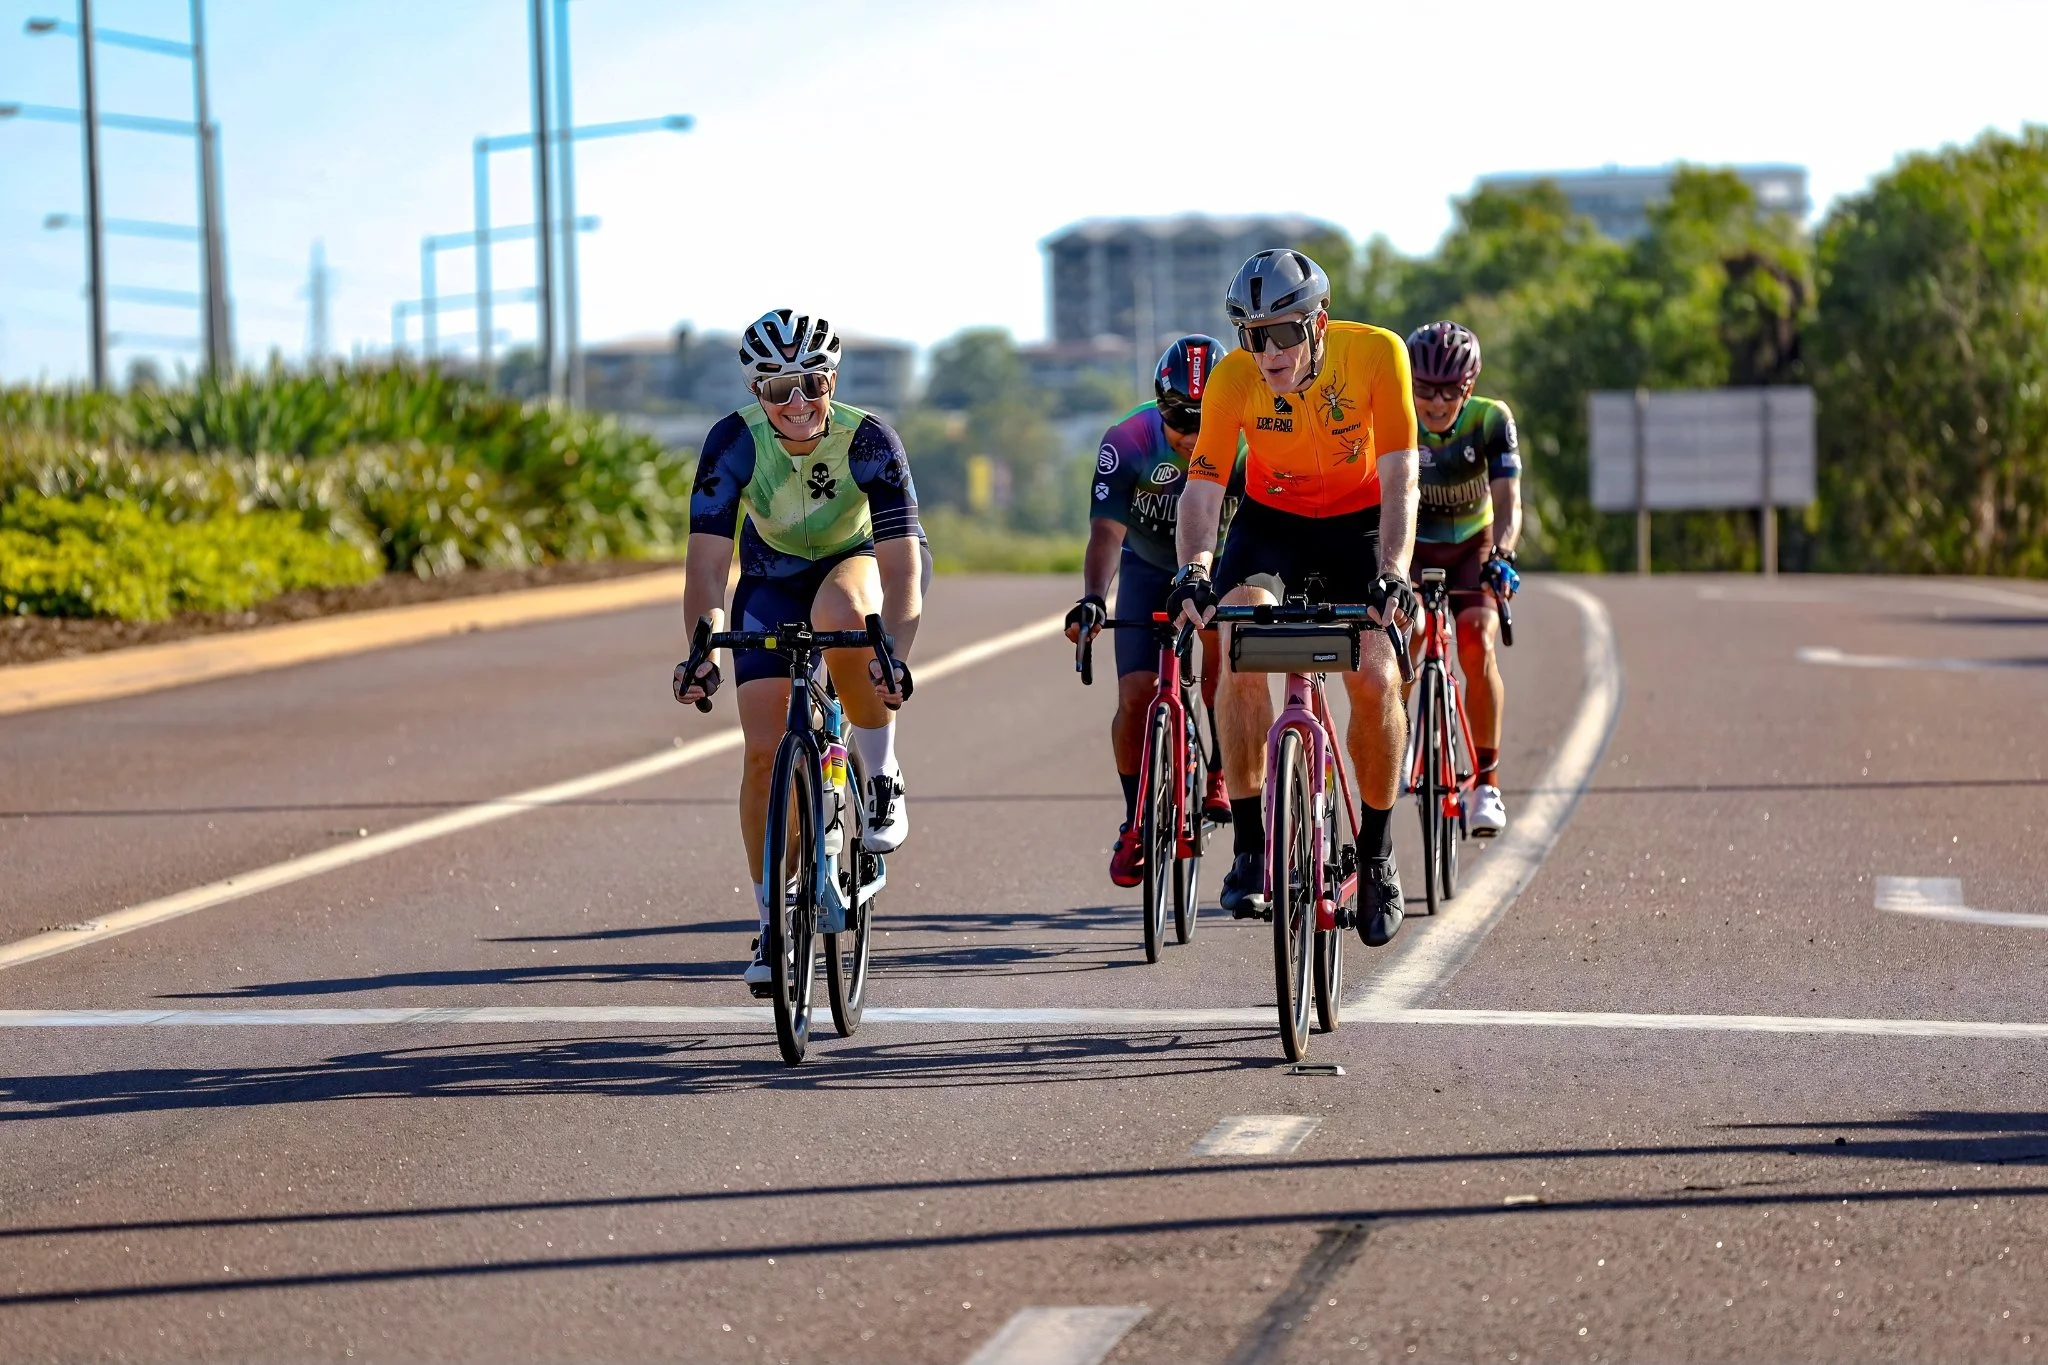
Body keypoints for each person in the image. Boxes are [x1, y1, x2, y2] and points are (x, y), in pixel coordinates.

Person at [1166, 250, 1421, 948]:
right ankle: (1251, 844)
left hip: (1359, 520)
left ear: (1320, 323)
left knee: (1373, 673)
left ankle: (1376, 853)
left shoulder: (1377, 356)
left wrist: (1394, 570)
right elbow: (1206, 483)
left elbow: (1402, 477)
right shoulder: (1233, 378)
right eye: (1253, 335)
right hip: (1272, 521)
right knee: (1238, 631)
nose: (1268, 351)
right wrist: (1194, 566)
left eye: (1283, 333)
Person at [674, 308, 926, 991]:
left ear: (832, 380)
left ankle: (880, 770)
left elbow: (904, 575)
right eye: (777, 387)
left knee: (842, 613)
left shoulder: (869, 439)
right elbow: (705, 566)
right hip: (771, 576)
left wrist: (893, 656)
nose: (796, 403)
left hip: (857, 560)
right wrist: (704, 652)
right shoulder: (732, 442)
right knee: (762, 753)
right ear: (756, 391)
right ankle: (770, 918)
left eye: (810, 384)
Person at [1065, 336, 1245, 887]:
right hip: (1145, 566)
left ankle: (1220, 770)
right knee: (1135, 696)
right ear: (1159, 408)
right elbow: (1105, 530)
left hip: (1221, 564)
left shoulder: (1247, 443)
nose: (1192, 439)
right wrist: (1095, 597)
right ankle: (1136, 820)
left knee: (1226, 674)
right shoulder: (1128, 439)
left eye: (1204, 422)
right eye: (1179, 422)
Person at [1405, 320, 1522, 836]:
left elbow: (1509, 499)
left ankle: (1487, 783)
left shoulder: (1491, 419)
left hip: (1472, 546)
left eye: (1448, 390)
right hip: (1409, 546)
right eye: (1425, 389)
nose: (1435, 402)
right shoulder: (1396, 416)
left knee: (1476, 642)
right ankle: (1401, 735)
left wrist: (1503, 552)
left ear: (1468, 387)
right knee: (1402, 638)